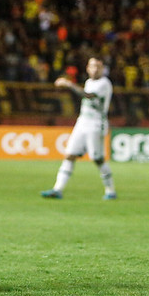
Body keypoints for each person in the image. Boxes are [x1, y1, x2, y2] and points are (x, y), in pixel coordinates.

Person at [41, 57, 116, 200]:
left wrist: (68, 84)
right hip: (82, 122)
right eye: (92, 66)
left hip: (96, 124)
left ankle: (110, 190)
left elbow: (88, 95)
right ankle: (57, 189)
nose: (95, 69)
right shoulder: (88, 82)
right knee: (70, 154)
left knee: (97, 158)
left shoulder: (104, 83)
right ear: (87, 68)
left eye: (98, 67)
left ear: (102, 69)